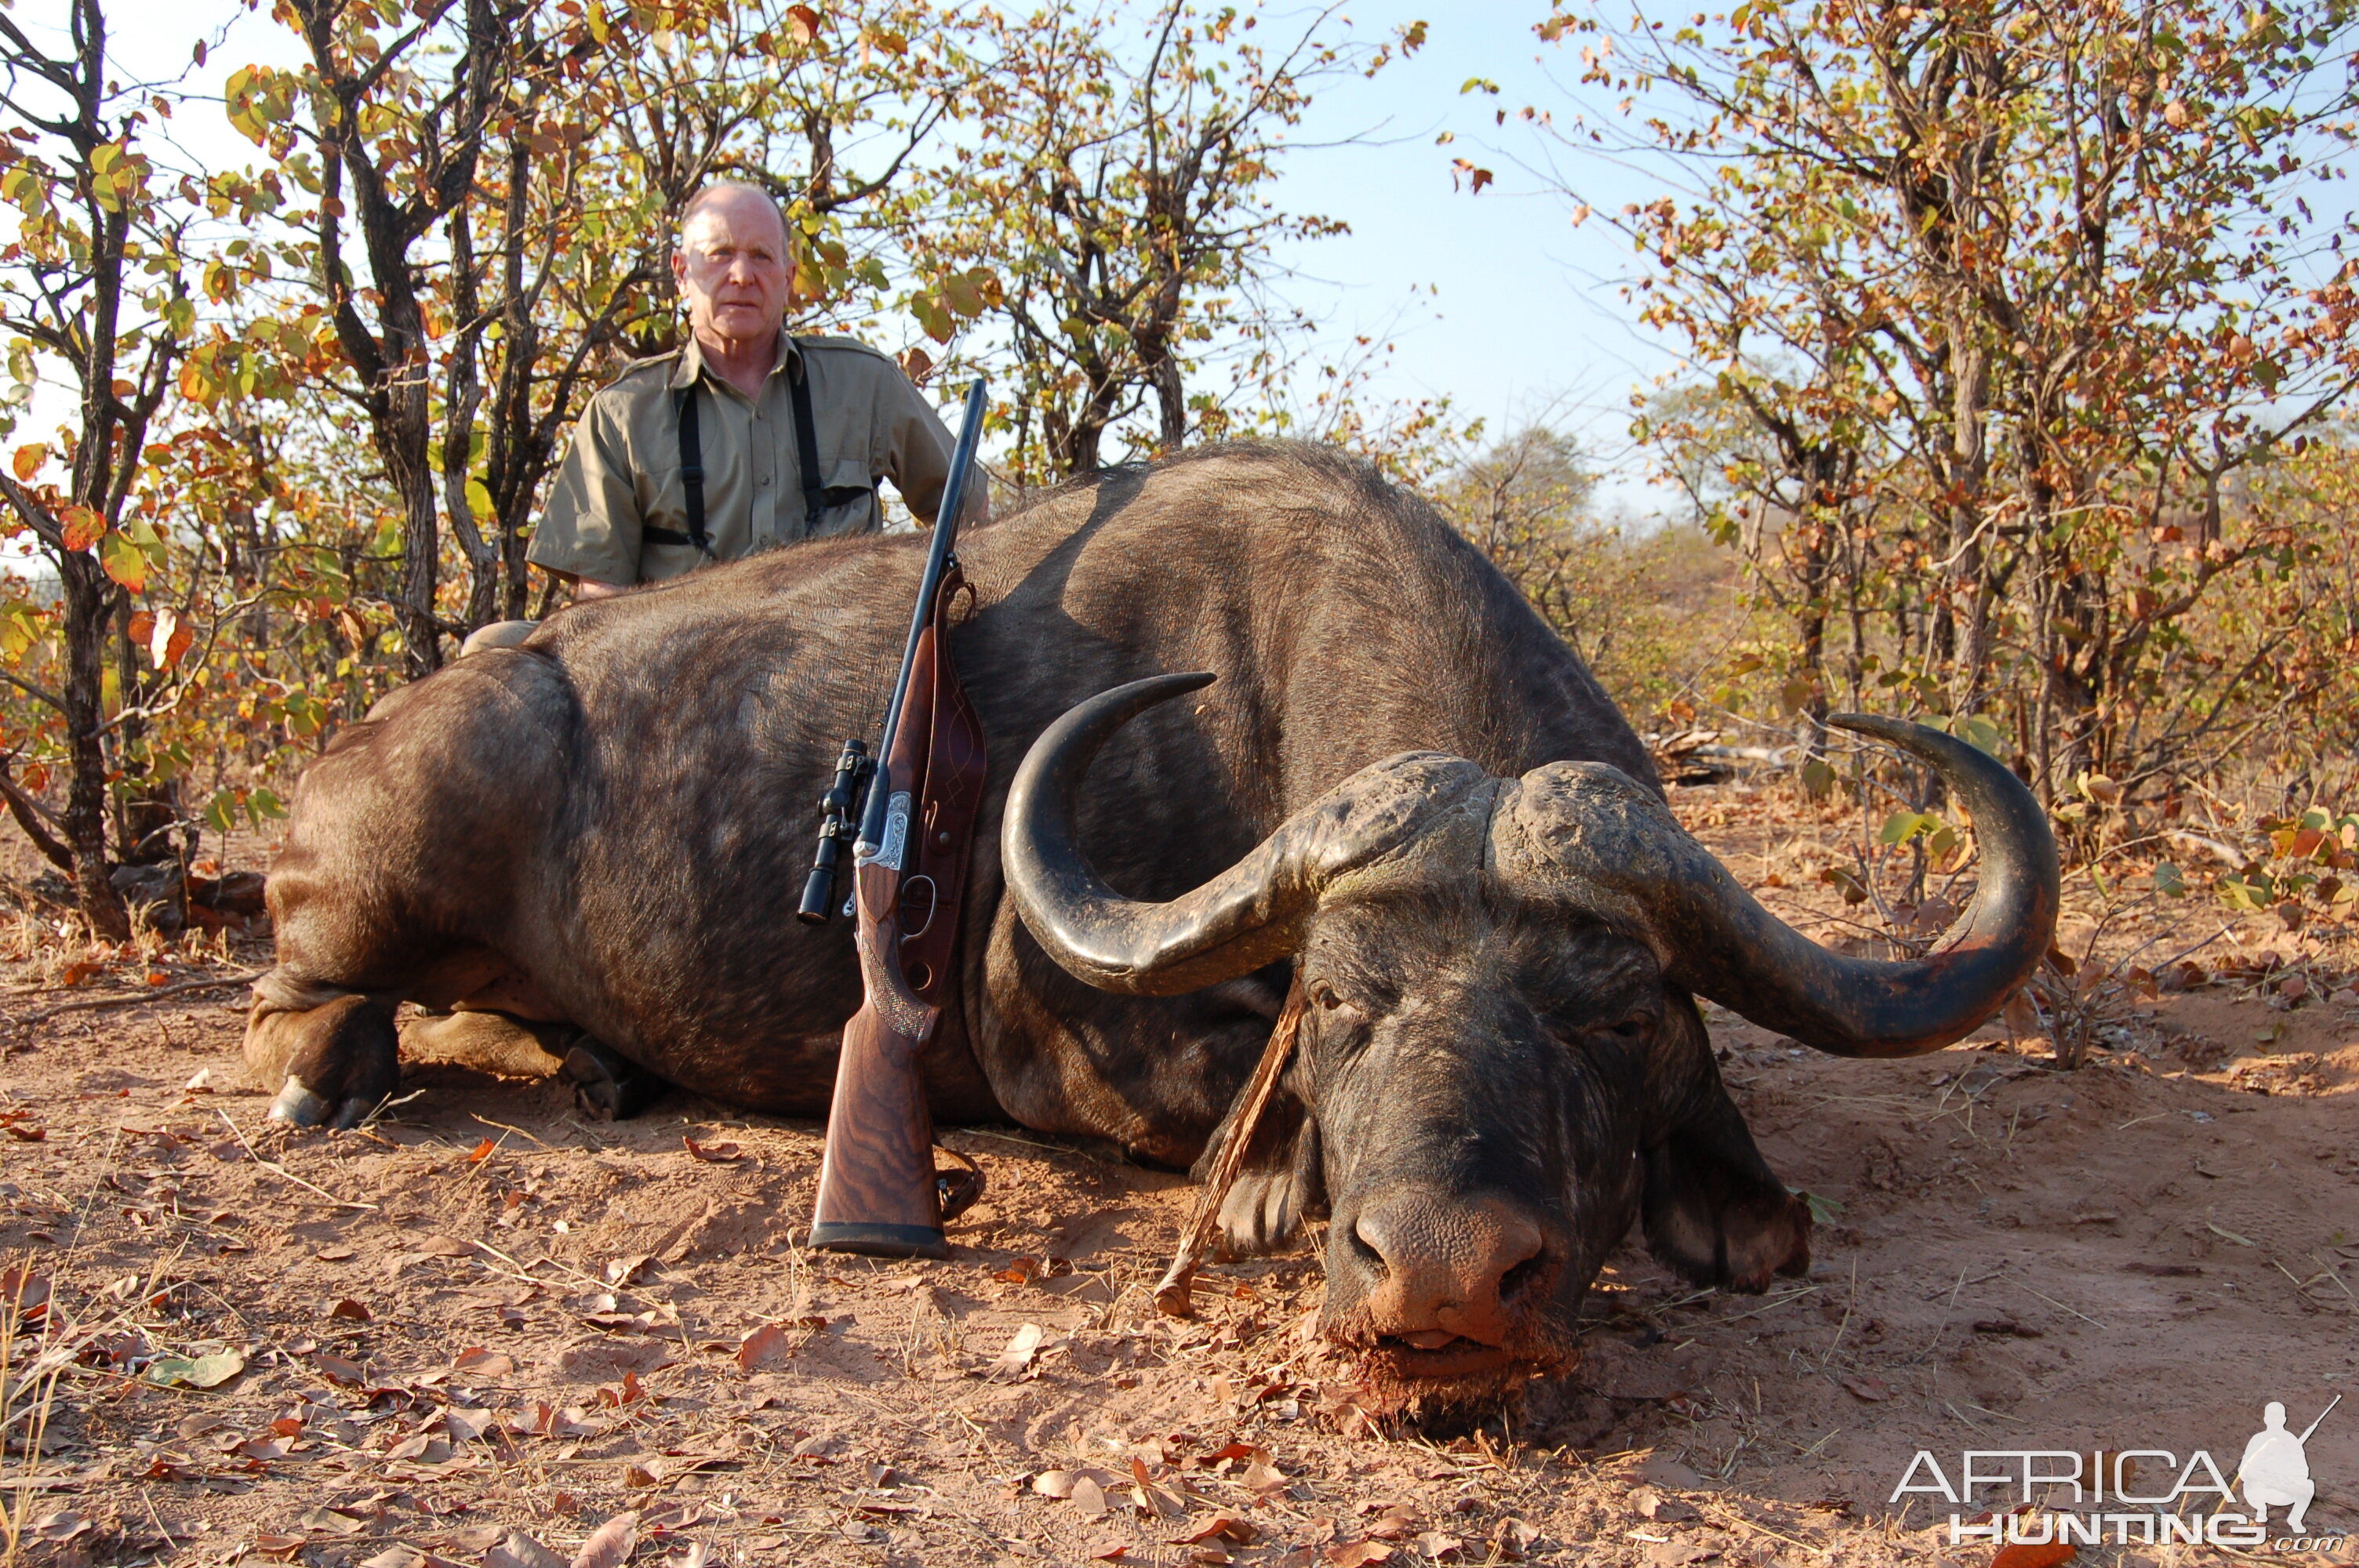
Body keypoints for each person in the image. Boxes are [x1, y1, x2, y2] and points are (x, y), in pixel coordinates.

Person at [460, 180, 982, 654]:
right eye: (721, 255)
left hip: (845, 671)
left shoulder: (864, 382)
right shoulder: (621, 413)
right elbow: (600, 611)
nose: (741, 275)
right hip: (685, 688)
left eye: (761, 256)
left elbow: (972, 515)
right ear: (682, 273)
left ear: (788, 277)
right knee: (490, 651)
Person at [2238, 1400, 2317, 1532]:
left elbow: (2303, 1470)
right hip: (2259, 1489)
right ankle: (2261, 1514)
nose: (2274, 1419)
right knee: (2256, 1485)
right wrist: (2263, 1475)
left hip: (2283, 1489)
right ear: (2265, 1419)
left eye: (2278, 1416)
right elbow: (2243, 1471)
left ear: (2284, 1419)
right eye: (2271, 1416)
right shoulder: (2258, 1439)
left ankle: (2295, 1519)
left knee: (2308, 1486)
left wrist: (2288, 1479)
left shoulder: (2291, 1441)